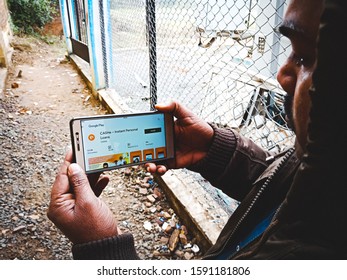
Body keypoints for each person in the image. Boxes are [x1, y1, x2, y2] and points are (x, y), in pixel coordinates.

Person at [47, 0, 347, 259]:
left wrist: (104, 248)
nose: (282, 74)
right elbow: (287, 186)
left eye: (305, 57)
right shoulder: (325, 167)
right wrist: (217, 150)